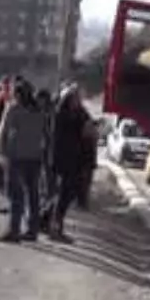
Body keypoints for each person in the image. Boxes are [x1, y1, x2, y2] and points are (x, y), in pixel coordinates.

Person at [0, 79, 46, 242]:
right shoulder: (39, 110)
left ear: (17, 94)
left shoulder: (14, 109)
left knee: (16, 195)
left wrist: (3, 152)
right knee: (33, 194)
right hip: (35, 157)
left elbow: (3, 131)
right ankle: (32, 230)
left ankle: (14, 230)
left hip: (16, 157)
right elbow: (46, 134)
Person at [47, 84, 94, 241]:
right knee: (62, 194)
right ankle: (55, 227)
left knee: (68, 193)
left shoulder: (80, 114)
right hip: (63, 160)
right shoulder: (61, 115)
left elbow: (89, 128)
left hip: (76, 161)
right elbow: (60, 139)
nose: (77, 101)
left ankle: (48, 220)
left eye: (78, 98)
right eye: (74, 98)